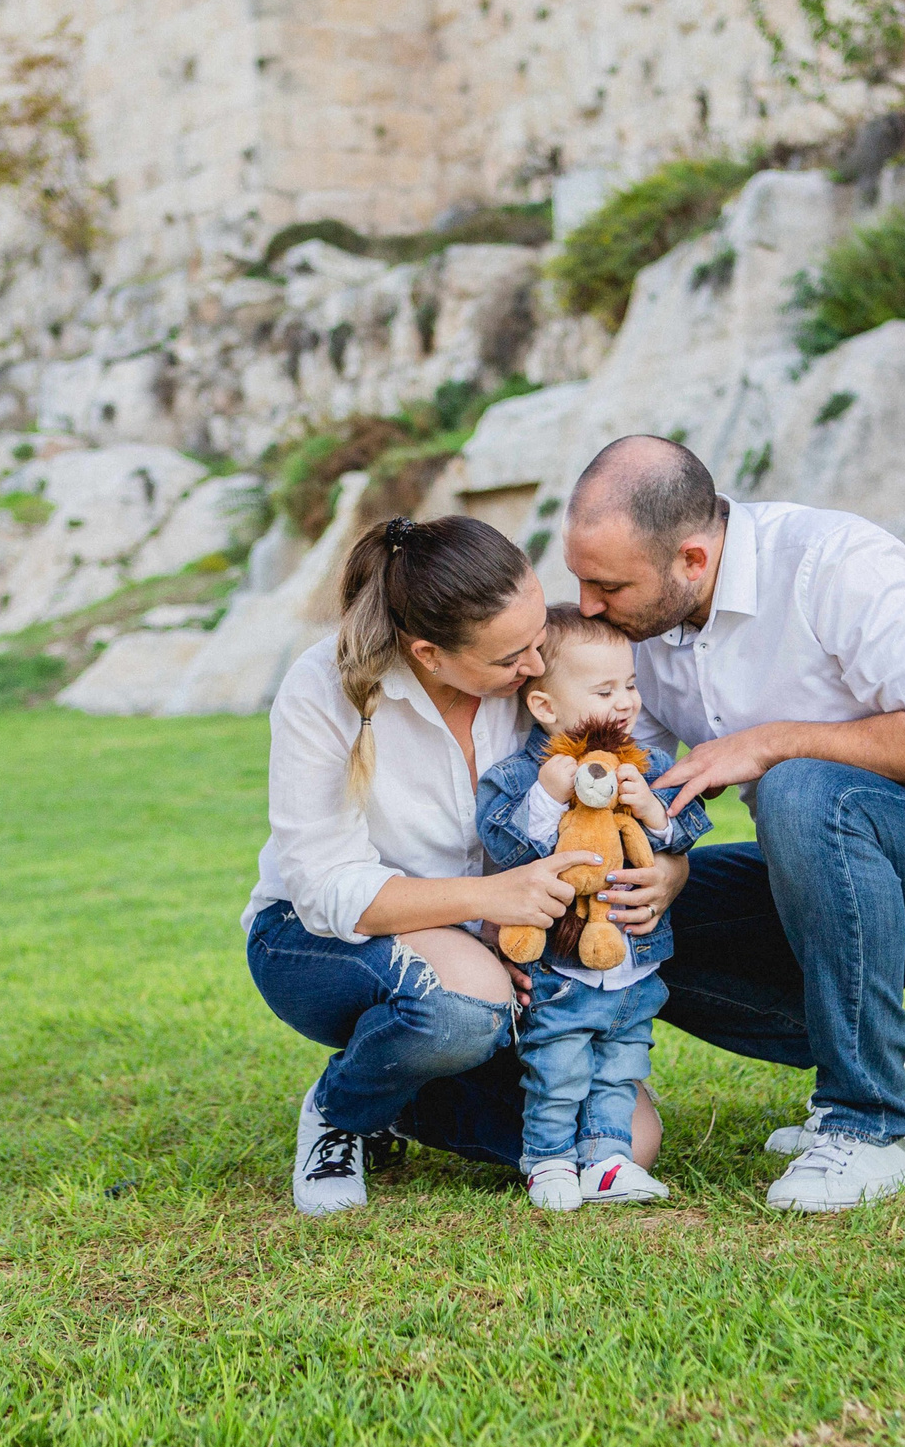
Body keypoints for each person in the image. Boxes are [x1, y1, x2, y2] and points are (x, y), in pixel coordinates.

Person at [561, 437, 905, 1213]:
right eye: (579, 581)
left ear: (691, 560)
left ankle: (871, 1126)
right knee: (621, 909)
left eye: (606, 585)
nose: (589, 606)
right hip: (829, 876)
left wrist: (769, 742)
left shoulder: (836, 562)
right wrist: (661, 858)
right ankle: (884, 1051)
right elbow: (644, 778)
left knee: (802, 785)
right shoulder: (643, 633)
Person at [243, 513, 681, 1216]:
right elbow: (323, 887)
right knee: (466, 1003)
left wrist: (670, 872)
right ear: (429, 653)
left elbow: (639, 780)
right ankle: (340, 1109)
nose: (537, 666)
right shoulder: (324, 687)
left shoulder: (534, 687)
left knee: (632, 1135)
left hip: (496, 948)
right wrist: (487, 903)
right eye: (512, 658)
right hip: (314, 942)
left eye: (539, 638)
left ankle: (401, 1101)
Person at [473, 606, 712, 1210]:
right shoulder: (521, 778)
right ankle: (547, 1161)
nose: (626, 702)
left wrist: (655, 814)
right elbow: (506, 849)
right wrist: (549, 798)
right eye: (605, 690)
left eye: (630, 685)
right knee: (557, 1068)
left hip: (634, 965)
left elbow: (688, 832)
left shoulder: (646, 766)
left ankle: (608, 1161)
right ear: (546, 707)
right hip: (560, 967)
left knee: (620, 1066)